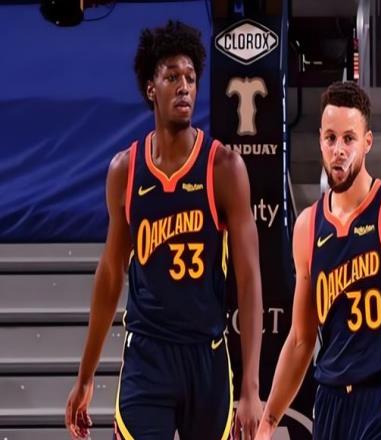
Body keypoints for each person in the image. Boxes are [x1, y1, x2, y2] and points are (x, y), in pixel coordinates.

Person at [65, 20, 263, 440]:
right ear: (151, 88)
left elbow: (248, 281)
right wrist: (85, 376)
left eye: (190, 77)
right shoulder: (125, 170)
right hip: (147, 355)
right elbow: (111, 274)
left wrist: (250, 386)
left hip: (206, 354)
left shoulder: (224, 168)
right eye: (172, 77)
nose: (184, 87)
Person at [255, 81, 381, 440]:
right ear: (320, 141)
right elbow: (300, 339)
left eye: (348, 139)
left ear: (367, 142)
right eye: (330, 138)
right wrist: (268, 421)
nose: (338, 150)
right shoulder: (307, 227)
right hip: (330, 401)